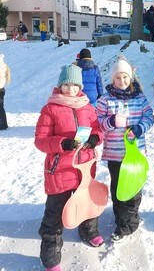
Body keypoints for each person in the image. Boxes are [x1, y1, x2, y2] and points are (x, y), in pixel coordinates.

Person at [35, 64, 104, 271]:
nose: (71, 89)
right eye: (67, 84)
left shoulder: (87, 106)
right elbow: (40, 140)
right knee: (55, 214)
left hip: (85, 168)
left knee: (87, 203)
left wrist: (94, 139)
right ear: (60, 85)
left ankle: (89, 231)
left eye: (75, 85)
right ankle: (50, 256)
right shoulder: (50, 109)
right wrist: (62, 144)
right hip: (60, 171)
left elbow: (97, 129)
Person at [96, 56, 154, 242]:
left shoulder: (139, 98)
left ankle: (128, 224)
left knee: (133, 189)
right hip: (115, 154)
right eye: (117, 78)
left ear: (131, 78)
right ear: (112, 79)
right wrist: (110, 121)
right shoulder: (105, 100)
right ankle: (121, 218)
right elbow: (97, 123)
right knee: (118, 188)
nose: (122, 81)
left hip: (135, 154)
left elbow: (150, 117)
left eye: (125, 77)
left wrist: (140, 128)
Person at [0, 54, 10, 130]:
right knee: (1, 107)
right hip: (2, 88)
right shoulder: (4, 65)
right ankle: (4, 124)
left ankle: (3, 125)